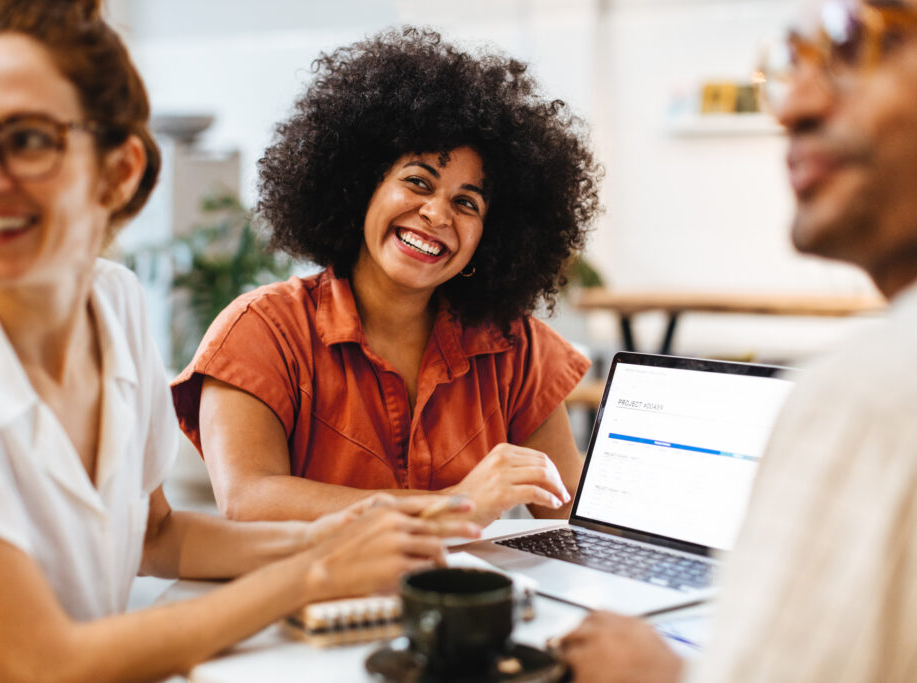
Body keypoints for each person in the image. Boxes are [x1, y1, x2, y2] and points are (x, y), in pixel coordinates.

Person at [0, 2, 480, 681]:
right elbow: (47, 662)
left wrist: (326, 537)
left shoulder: (111, 304)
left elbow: (156, 535)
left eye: (26, 140)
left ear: (118, 170)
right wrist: (314, 571)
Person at [556, 1, 917, 681]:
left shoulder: (875, 392)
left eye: (856, 45)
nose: (792, 106)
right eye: (795, 62)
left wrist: (654, 672)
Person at [171, 28, 602, 526]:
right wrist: (451, 505)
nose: (438, 214)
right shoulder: (260, 332)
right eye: (417, 181)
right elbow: (250, 501)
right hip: (319, 601)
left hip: (470, 600)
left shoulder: (514, 347)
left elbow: (573, 506)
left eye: (467, 203)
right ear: (360, 188)